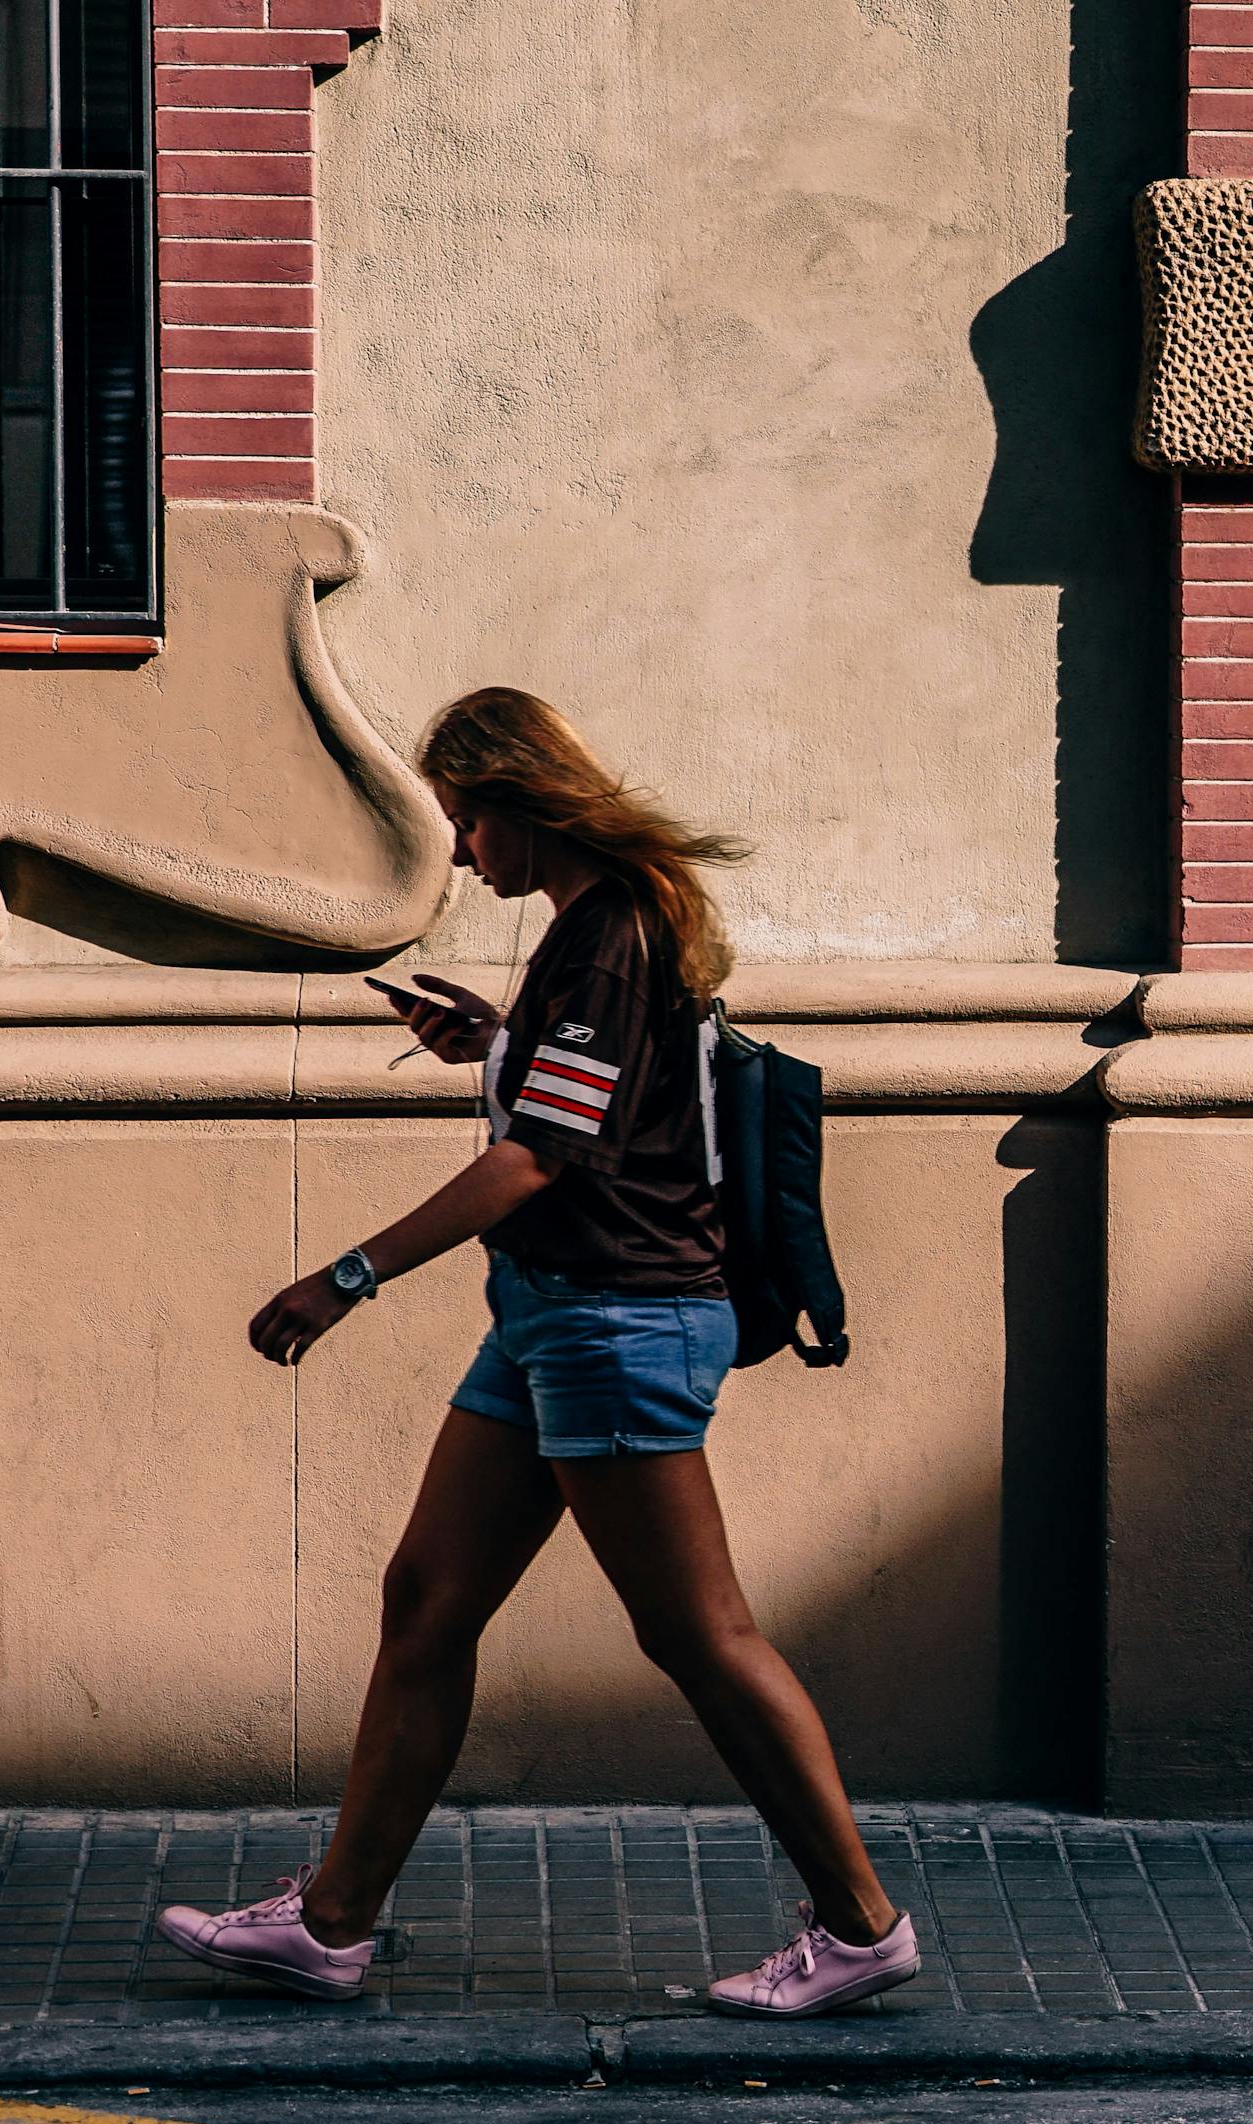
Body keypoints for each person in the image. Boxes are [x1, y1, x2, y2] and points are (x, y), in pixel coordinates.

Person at [151, 687, 917, 2022]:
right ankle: (331, 1920)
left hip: (615, 1321)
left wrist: (347, 1275)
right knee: (426, 1600)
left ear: (516, 803)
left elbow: (539, 1157)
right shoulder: (590, 930)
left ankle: (861, 1925)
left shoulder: (612, 931)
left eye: (462, 821)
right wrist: (496, 1041)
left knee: (699, 1632)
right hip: (551, 1316)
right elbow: (589, 1101)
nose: (459, 853)